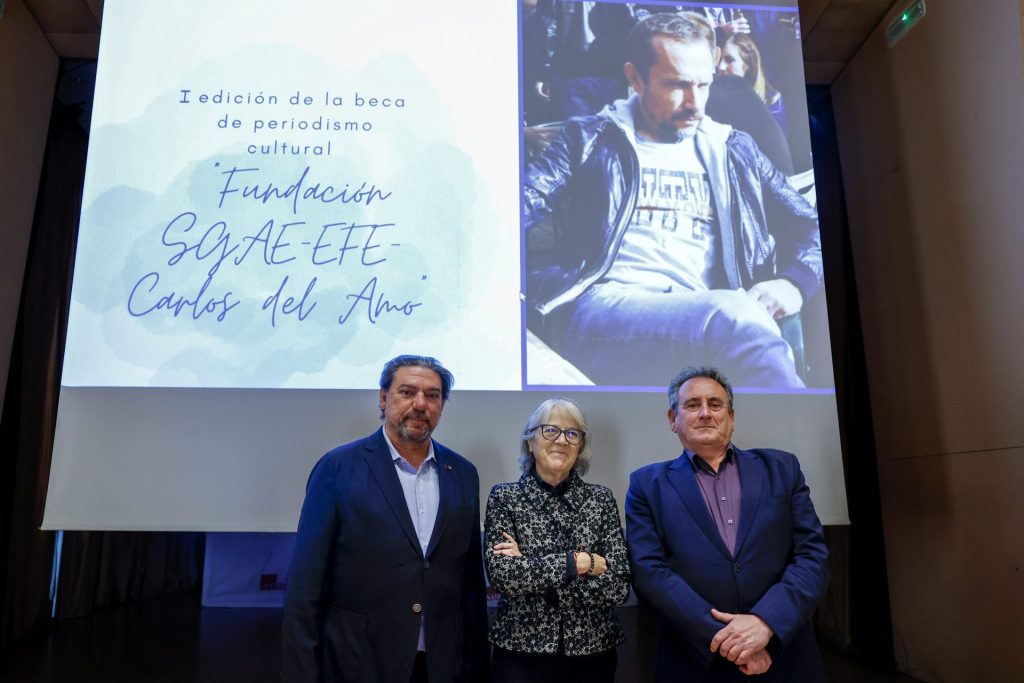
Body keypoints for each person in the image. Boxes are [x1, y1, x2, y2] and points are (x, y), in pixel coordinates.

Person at [523, 12, 821, 388]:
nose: (695, 103)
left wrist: (794, 284)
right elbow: (523, 204)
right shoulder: (588, 138)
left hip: (704, 314)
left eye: (703, 84)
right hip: (604, 310)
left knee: (732, 317)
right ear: (635, 78)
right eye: (677, 85)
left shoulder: (732, 147)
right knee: (734, 316)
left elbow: (810, 223)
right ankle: (800, 437)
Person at [281, 355, 489, 683]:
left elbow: (471, 584)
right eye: (407, 392)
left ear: (442, 405)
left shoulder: (463, 473)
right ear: (383, 398)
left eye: (432, 396)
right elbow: (305, 588)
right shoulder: (338, 469)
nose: (420, 404)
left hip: (442, 663)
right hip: (361, 662)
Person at [625, 366, 830, 681]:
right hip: (695, 661)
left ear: (731, 417)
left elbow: (812, 557)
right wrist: (730, 641)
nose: (705, 413)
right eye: (692, 405)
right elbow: (650, 573)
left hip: (784, 655)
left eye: (715, 404)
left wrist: (766, 624)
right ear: (673, 420)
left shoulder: (782, 468)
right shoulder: (646, 484)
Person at [484, 397, 630, 682]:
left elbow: (618, 586)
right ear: (530, 441)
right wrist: (579, 562)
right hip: (521, 653)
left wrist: (539, 580)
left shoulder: (600, 500)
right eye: (550, 430)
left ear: (581, 446)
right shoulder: (505, 498)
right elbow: (504, 576)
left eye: (572, 433)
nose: (562, 441)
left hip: (593, 653)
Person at [717, 33, 788, 135]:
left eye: (729, 60)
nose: (721, 67)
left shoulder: (772, 103)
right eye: (719, 60)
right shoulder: (716, 98)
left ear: (748, 65)